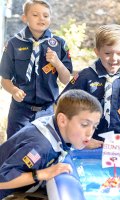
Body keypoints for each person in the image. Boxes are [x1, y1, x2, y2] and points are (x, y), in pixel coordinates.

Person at [0, 89, 102, 200]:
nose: (89, 133)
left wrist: (79, 141)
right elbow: (2, 180)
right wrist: (42, 174)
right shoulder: (41, 146)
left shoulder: (53, 126)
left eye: (94, 126)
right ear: (62, 120)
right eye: (84, 124)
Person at [59, 24, 120, 148]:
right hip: (89, 138)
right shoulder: (85, 77)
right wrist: (80, 138)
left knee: (116, 168)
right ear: (97, 52)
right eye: (107, 53)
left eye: (119, 53)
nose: (114, 58)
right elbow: (63, 104)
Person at [0, 0, 72, 139]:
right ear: (25, 18)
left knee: (43, 150)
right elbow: (5, 79)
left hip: (47, 111)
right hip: (20, 111)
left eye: (46, 15)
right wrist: (14, 90)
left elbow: (66, 79)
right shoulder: (13, 44)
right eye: (35, 15)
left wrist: (57, 63)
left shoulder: (59, 44)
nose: (41, 18)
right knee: (16, 147)